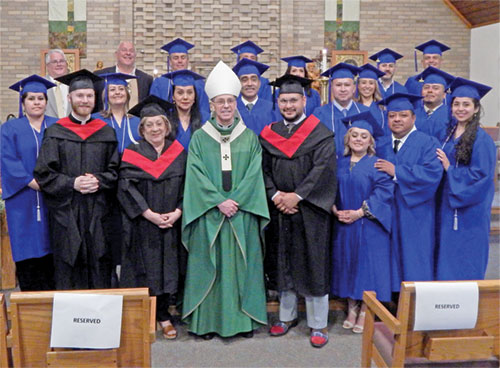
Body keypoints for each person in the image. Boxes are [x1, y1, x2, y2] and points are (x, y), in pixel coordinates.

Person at [181, 61, 269, 339]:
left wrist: (236, 201)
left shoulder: (249, 138)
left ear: (236, 104)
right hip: (210, 212)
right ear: (212, 105)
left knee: (242, 267)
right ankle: (206, 323)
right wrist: (219, 201)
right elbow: (195, 175)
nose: (227, 106)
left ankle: (243, 322)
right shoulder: (199, 138)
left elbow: (255, 174)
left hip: (241, 213)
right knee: (210, 265)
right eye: (221, 102)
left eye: (231, 101)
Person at [260, 74, 337, 348]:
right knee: (284, 262)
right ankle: (285, 316)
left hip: (311, 210)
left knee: (313, 263)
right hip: (280, 209)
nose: (289, 105)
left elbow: (323, 170)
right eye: (284, 100)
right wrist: (277, 195)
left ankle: (318, 323)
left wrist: (298, 196)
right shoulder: (269, 135)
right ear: (277, 102)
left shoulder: (320, 133)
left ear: (304, 100)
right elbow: (263, 170)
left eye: (293, 100)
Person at [34, 69, 120, 290]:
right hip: (66, 212)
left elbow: (116, 171)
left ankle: (101, 319)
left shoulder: (106, 132)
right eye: (80, 96)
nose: (85, 100)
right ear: (70, 97)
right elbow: (44, 174)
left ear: (96, 98)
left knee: (100, 260)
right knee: (67, 260)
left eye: (89, 96)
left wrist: (99, 181)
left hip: (99, 211)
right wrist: (72, 183)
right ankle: (70, 320)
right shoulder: (55, 132)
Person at [118, 95, 186, 340]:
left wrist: (178, 211)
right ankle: (157, 315)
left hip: (172, 221)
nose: (155, 129)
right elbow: (126, 187)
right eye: (150, 125)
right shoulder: (132, 153)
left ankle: (168, 310)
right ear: (142, 129)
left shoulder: (179, 152)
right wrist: (149, 214)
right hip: (145, 223)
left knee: (172, 265)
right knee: (147, 266)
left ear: (167, 126)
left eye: (160, 124)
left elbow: (190, 186)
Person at [331, 111, 393, 334]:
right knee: (348, 264)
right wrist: (334, 208)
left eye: (363, 136)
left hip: (368, 224)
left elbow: (384, 193)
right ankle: (351, 308)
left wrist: (359, 212)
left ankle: (366, 310)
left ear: (371, 141)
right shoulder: (339, 162)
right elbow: (329, 189)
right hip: (343, 223)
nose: (358, 139)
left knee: (367, 267)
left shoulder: (377, 164)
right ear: (347, 138)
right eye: (354, 135)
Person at [374, 93, 443, 289]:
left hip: (416, 213)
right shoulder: (381, 144)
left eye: (403, 115)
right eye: (392, 115)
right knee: (388, 259)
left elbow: (433, 173)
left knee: (415, 257)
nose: (397, 119)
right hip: (387, 211)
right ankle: (392, 305)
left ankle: (416, 306)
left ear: (413, 118)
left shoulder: (427, 142)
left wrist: (397, 172)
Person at [1, 75, 58, 291]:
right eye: (31, 98)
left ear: (46, 101)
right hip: (22, 199)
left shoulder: (57, 125)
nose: (36, 102)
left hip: (53, 197)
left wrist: (51, 182)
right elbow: (7, 159)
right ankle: (29, 303)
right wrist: (30, 181)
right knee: (27, 250)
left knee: (54, 248)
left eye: (41, 98)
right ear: (23, 102)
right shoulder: (9, 128)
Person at [435, 78, 496, 280]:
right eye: (456, 103)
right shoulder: (448, 133)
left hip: (469, 209)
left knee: (466, 254)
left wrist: (449, 169)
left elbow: (482, 177)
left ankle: (465, 305)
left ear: (476, 108)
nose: (460, 108)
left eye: (466, 104)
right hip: (447, 204)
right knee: (446, 253)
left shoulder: (482, 140)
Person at [313, 63, 369, 158]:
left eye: (347, 85)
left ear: (354, 88)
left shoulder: (365, 112)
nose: (343, 89)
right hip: (328, 168)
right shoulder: (319, 113)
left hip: (358, 168)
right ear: (332, 88)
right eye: (338, 85)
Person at [149, 38, 210, 119]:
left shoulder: (198, 83)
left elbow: (204, 109)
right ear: (170, 61)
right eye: (176, 58)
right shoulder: (160, 83)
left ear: (188, 60)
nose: (180, 61)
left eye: (183, 57)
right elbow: (153, 109)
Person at [95, 41, 153, 111]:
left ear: (135, 55)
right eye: (124, 50)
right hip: (106, 120)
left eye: (131, 51)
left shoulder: (146, 79)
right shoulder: (100, 76)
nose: (128, 53)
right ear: (116, 54)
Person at [92, 72, 141, 153]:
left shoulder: (137, 122)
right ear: (106, 95)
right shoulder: (95, 120)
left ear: (127, 94)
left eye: (121, 89)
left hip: (131, 165)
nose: (117, 92)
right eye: (112, 89)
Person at [162, 69, 208, 150]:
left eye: (190, 92)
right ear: (173, 96)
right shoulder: (165, 120)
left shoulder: (205, 119)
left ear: (195, 96)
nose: (185, 97)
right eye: (180, 93)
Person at [232, 58, 278, 135]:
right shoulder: (232, 109)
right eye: (244, 80)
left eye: (254, 79)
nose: (249, 83)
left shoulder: (273, 110)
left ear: (259, 83)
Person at [414, 66, 455, 142]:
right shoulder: (412, 115)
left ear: (444, 94)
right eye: (426, 87)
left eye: (435, 88)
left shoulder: (452, 116)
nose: (430, 91)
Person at [355, 63, 388, 135]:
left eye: (371, 83)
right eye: (363, 83)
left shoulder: (382, 109)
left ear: (375, 86)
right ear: (358, 85)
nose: (367, 86)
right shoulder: (353, 107)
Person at [44, 49, 71, 118]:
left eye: (62, 61)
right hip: (48, 127)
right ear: (47, 66)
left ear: (66, 64)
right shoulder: (41, 84)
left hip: (73, 127)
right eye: (54, 62)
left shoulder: (74, 83)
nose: (59, 64)